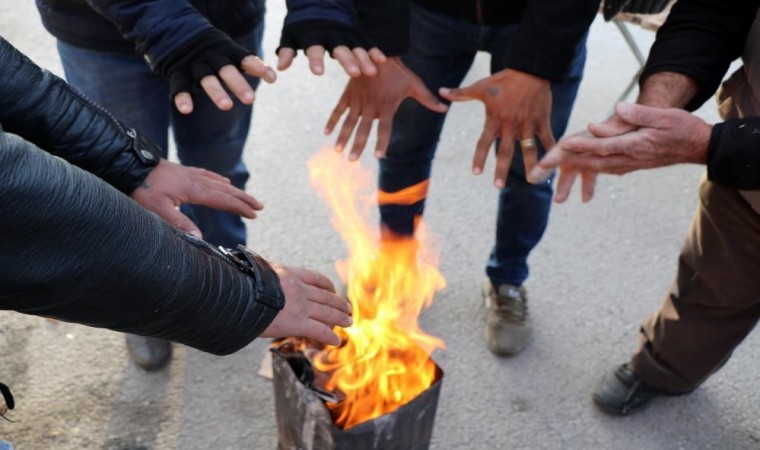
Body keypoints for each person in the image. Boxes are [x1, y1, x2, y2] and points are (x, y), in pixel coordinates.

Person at [0, 35, 352, 409]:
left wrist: (129, 162)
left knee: (213, 178)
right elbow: (25, 210)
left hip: (223, 28)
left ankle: (213, 266)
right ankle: (146, 312)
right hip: (97, 34)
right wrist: (234, 296)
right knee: (122, 203)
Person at [323, 0, 598, 355]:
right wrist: (381, 41)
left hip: (539, 15)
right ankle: (394, 262)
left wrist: (538, 65)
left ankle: (508, 281)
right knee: (404, 146)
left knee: (530, 163)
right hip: (425, 13)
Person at [529, 0, 760, 415]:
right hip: (747, 176)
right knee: (712, 279)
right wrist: (651, 111)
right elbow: (716, 11)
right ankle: (664, 369)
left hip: (740, 149)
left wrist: (710, 145)